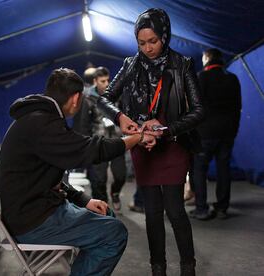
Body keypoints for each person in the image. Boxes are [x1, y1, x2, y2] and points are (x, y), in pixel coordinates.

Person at [0, 68, 156, 276]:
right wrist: (137, 138)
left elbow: (46, 179)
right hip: (32, 222)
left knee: (104, 212)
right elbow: (92, 150)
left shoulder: (37, 119)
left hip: (37, 210)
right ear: (76, 98)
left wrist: (84, 200)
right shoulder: (42, 123)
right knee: (114, 233)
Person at [97, 8, 204, 276]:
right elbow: (104, 99)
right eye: (142, 43)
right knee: (152, 213)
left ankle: (188, 267)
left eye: (153, 42)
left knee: (175, 210)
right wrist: (120, 117)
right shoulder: (130, 64)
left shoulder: (182, 65)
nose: (148, 49)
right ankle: (158, 268)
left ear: (164, 36)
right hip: (142, 146)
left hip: (173, 145)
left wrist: (165, 130)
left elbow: (199, 111)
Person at [190, 48, 242, 220]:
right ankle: (222, 208)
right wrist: (233, 130)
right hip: (227, 132)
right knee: (223, 169)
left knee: (199, 169)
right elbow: (237, 107)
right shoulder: (232, 78)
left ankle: (201, 208)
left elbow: (196, 107)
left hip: (205, 133)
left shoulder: (201, 77)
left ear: (207, 58)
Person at [75, 66, 128, 211]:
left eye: (108, 80)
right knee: (99, 180)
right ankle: (104, 209)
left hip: (117, 141)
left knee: (121, 176)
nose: (106, 84)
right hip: (98, 144)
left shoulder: (116, 96)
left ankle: (115, 193)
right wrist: (85, 148)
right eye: (102, 81)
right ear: (95, 81)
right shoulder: (87, 99)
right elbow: (83, 124)